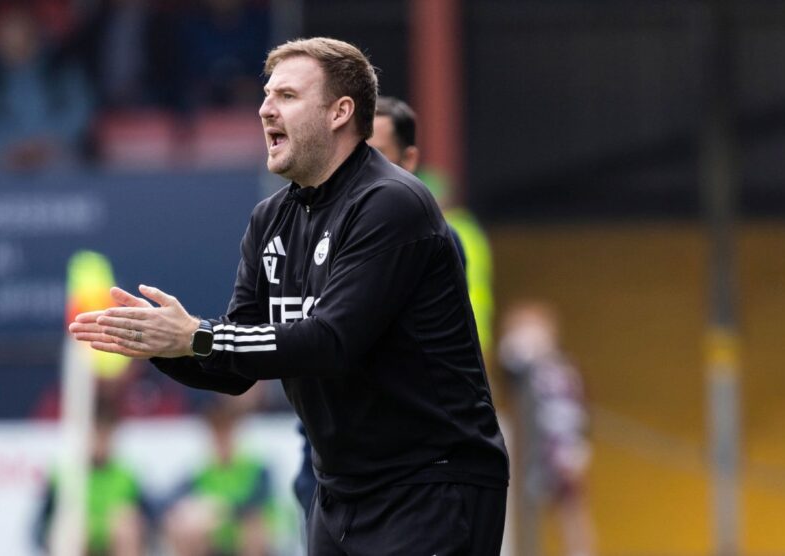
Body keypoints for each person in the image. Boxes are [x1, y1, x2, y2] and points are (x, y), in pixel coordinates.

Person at [70, 37, 508, 554]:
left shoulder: (392, 204)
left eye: (287, 96)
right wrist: (169, 346)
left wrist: (201, 336)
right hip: (341, 490)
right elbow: (239, 365)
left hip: (431, 483)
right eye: (266, 94)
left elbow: (330, 342)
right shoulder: (270, 218)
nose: (264, 109)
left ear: (340, 112)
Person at [286, 94, 469, 517]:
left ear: (408, 161)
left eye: (376, 156)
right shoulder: (300, 232)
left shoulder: (435, 241)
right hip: (322, 461)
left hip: (403, 466)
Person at [498, 302, 595, 556]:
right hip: (527, 449)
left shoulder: (561, 369)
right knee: (522, 508)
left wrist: (574, 450)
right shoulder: (524, 362)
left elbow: (574, 411)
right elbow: (510, 362)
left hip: (557, 448)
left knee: (570, 509)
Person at [0, 5, 92, 172]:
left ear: (35, 32)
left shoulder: (60, 67)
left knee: (71, 167)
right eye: (9, 31)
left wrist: (46, 144)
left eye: (21, 29)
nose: (16, 36)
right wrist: (11, 148)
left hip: (56, 154)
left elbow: (79, 111)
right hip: (3, 157)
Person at [34, 397, 153, 556]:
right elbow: (38, 529)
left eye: (105, 434)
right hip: (80, 543)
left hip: (116, 544)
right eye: (95, 434)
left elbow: (151, 520)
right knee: (72, 529)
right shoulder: (64, 475)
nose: (100, 442)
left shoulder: (127, 476)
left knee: (126, 525)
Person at [162, 393, 273, 556]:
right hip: (213, 536)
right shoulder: (201, 472)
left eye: (225, 431)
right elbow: (171, 501)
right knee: (182, 525)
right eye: (216, 432)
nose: (221, 439)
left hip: (244, 533)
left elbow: (257, 501)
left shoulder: (256, 469)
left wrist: (222, 510)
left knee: (254, 528)